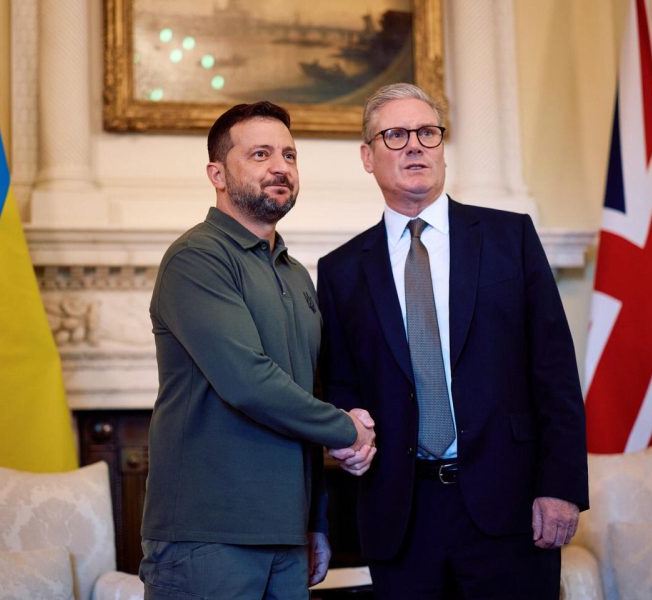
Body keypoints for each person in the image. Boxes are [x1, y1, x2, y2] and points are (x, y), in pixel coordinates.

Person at [318, 83, 589, 599]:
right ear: (367, 157)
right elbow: (341, 384)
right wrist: (346, 427)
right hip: (401, 517)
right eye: (395, 135)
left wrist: (561, 487)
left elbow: (554, 371)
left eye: (428, 133)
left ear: (443, 148)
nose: (415, 146)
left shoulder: (510, 238)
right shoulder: (341, 271)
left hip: (511, 507)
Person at [139, 101, 376, 600]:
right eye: (260, 154)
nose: (280, 168)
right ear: (217, 175)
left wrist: (314, 521)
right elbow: (248, 381)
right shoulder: (196, 258)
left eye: (289, 155)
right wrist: (348, 430)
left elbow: (304, 395)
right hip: (207, 537)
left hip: (287, 536)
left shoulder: (295, 273)